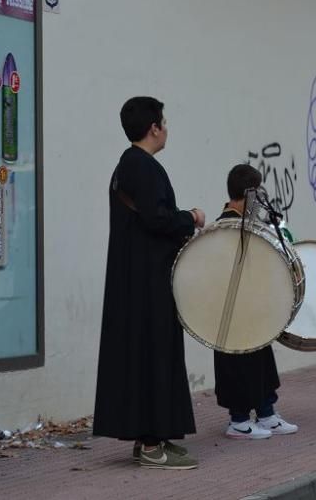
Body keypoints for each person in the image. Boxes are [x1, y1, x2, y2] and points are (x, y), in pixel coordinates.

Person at [93, 97, 206, 470]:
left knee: (153, 355)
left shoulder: (133, 165)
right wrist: (190, 217)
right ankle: (151, 442)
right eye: (164, 122)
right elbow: (156, 220)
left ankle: (157, 435)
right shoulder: (140, 166)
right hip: (144, 283)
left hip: (143, 278)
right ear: (154, 127)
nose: (167, 129)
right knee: (149, 355)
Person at [215, 164, 298, 438]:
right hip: (235, 313)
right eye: (258, 191)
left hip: (253, 310)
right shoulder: (225, 226)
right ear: (249, 193)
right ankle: (238, 420)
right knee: (238, 367)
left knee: (261, 363)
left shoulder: (249, 223)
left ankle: (266, 413)